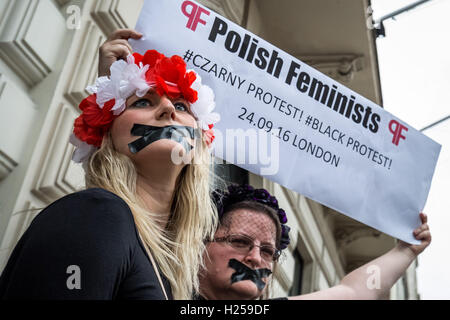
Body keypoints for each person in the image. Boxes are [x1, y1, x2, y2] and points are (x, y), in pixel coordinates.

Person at [0, 30, 220, 300]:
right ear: (106, 135)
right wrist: (112, 83)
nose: (168, 110)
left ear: (200, 140)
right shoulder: (97, 213)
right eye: (142, 101)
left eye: (182, 106)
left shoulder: (166, 264)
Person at [198, 184, 432, 300]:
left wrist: (407, 251)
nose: (256, 257)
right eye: (239, 242)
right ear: (201, 242)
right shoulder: (164, 287)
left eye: (268, 251)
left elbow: (353, 291)